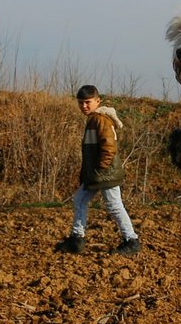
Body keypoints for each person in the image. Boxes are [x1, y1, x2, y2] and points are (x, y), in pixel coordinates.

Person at [56, 85, 141, 256]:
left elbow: (109, 148)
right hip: (97, 174)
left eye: (87, 102)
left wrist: (100, 169)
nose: (84, 106)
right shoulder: (94, 119)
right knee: (80, 199)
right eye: (81, 103)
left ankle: (131, 240)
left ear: (97, 101)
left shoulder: (100, 120)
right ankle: (77, 239)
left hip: (104, 174)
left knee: (114, 205)